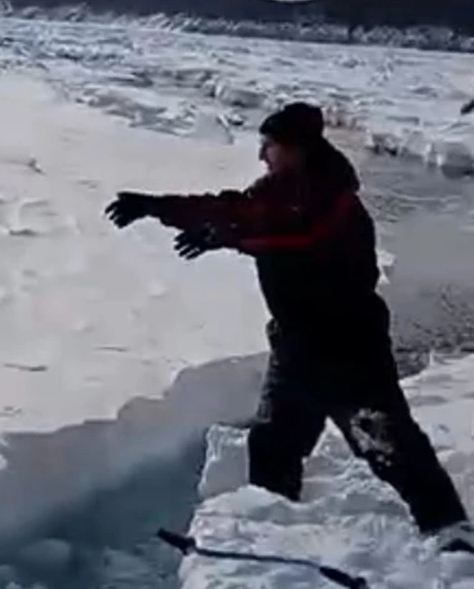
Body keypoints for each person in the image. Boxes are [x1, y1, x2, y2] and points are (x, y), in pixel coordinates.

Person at [105, 102, 474, 552]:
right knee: (274, 443)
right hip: (296, 347)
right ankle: (269, 533)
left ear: (297, 149)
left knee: (386, 442)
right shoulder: (275, 191)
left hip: (347, 346)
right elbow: (232, 209)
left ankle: (449, 530)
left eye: (270, 146)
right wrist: (155, 206)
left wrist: (233, 239)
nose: (262, 155)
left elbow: (304, 241)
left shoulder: (335, 199)